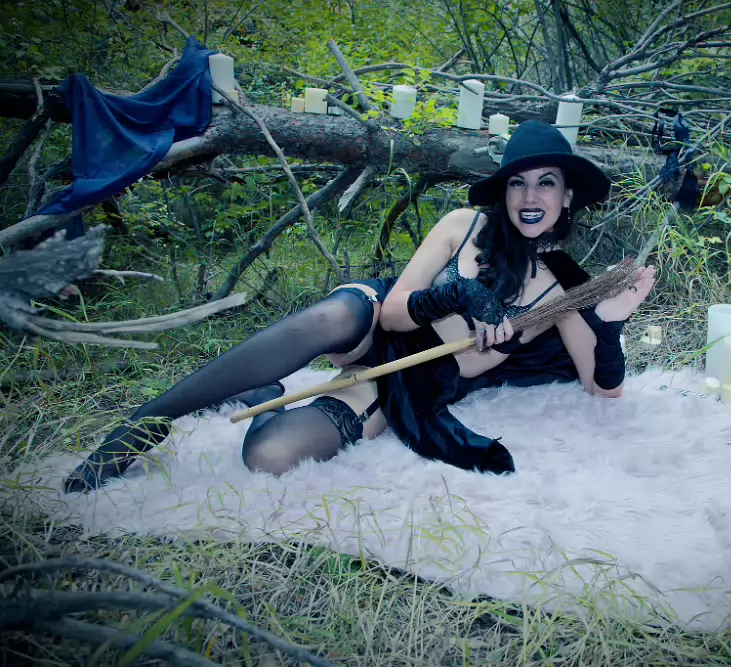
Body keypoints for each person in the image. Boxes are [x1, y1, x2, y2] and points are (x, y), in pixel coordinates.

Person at [63, 120, 655, 494]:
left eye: (546, 182)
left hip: (411, 375)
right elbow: (394, 312)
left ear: (567, 196)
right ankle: (140, 427)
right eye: (518, 182)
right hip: (379, 324)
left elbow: (601, 389)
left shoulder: (565, 287)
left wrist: (610, 323)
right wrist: (459, 294)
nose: (530, 195)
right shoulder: (463, 225)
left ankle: (260, 394)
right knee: (332, 316)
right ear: (503, 191)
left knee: (270, 456)